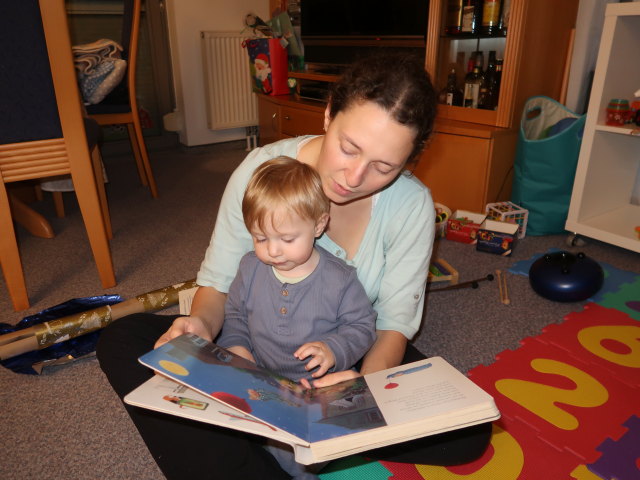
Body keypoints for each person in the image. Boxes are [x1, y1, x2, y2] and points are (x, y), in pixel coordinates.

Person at [97, 52, 492, 480]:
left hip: (346, 352)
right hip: (253, 347)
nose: (354, 177)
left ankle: (255, 445)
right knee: (121, 340)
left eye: (384, 167)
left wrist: (359, 390)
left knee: (470, 432)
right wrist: (201, 330)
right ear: (327, 115)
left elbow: (392, 326)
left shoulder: (412, 205)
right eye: (349, 147)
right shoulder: (261, 171)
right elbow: (219, 286)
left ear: (409, 162)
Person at [219, 156, 377, 479]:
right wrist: (237, 346)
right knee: (218, 423)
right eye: (260, 238)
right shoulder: (250, 268)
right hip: (262, 380)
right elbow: (234, 313)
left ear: (318, 225)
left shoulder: (340, 279)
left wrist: (333, 348)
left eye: (287, 239)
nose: (272, 251)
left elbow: (362, 327)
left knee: (307, 447)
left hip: (317, 387)